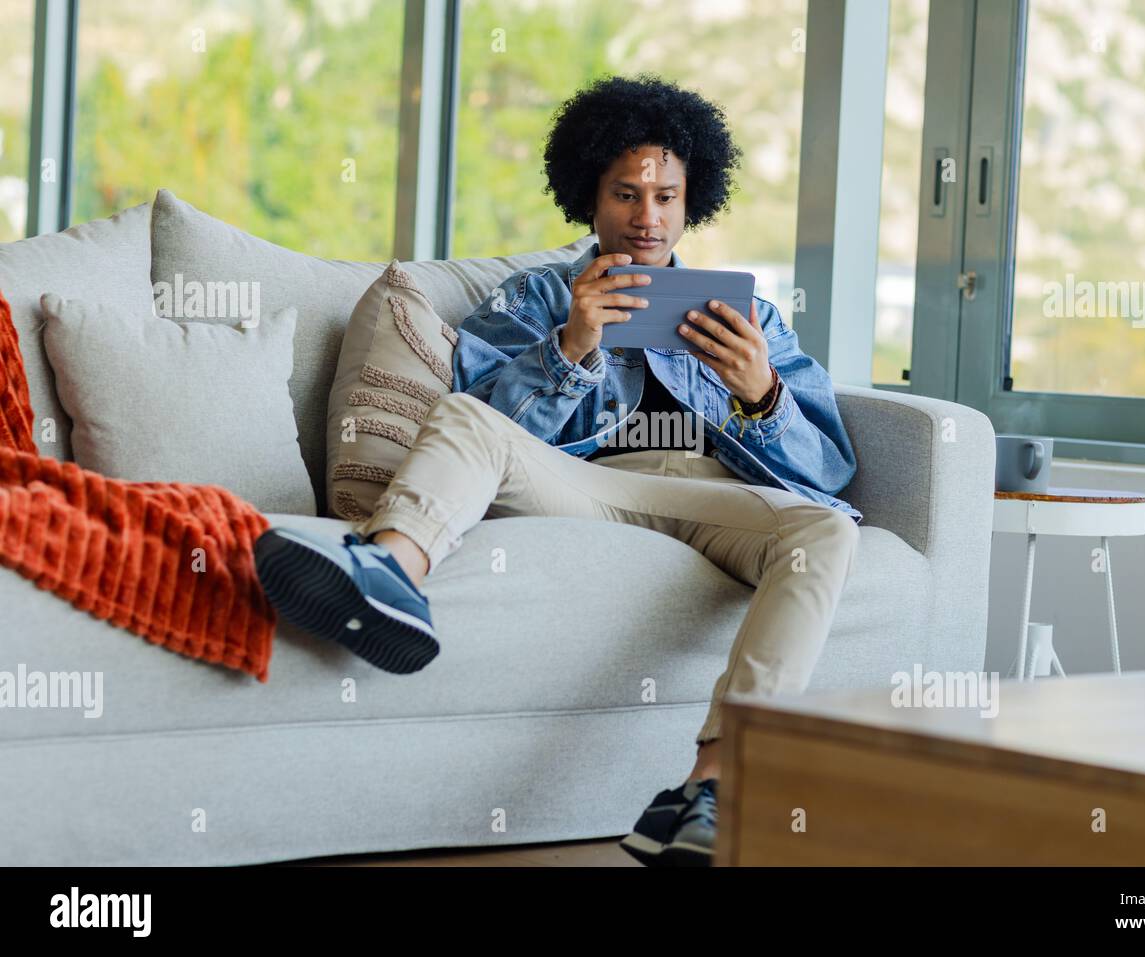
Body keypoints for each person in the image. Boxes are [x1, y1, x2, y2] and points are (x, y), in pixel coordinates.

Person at [254, 74, 862, 867]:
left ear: (691, 205)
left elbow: (833, 471)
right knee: (469, 414)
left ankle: (710, 789)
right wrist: (570, 347)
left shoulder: (750, 317)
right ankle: (386, 569)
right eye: (625, 193)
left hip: (714, 498)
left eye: (666, 197)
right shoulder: (537, 296)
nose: (647, 217)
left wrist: (764, 392)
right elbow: (477, 425)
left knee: (826, 530)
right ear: (591, 198)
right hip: (589, 488)